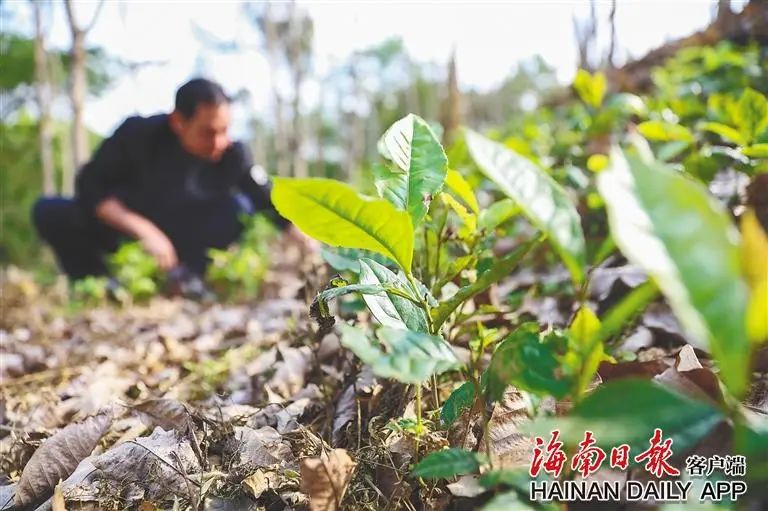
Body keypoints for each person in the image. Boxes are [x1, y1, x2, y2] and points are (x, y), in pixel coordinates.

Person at [32, 78, 312, 292]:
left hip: (189, 242)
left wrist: (310, 242)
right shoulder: (138, 136)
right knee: (50, 211)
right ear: (178, 121)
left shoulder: (233, 154)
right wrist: (144, 230)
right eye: (207, 132)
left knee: (240, 206)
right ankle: (97, 284)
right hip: (126, 234)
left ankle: (188, 280)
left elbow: (268, 198)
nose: (218, 143)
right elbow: (91, 188)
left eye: (224, 131)